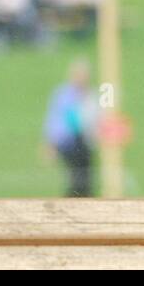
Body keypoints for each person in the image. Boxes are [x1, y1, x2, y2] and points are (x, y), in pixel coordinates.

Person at [43, 60, 97, 197]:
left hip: (85, 143)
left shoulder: (89, 95)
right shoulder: (64, 95)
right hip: (68, 142)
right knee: (77, 177)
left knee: (85, 177)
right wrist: (51, 143)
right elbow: (55, 120)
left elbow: (94, 118)